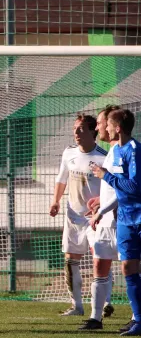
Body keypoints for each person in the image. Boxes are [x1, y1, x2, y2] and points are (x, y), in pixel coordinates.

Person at [49, 114, 107, 316]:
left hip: (95, 218)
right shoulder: (69, 153)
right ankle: (77, 306)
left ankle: (103, 305)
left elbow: (109, 187)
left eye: (81, 129)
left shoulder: (104, 157)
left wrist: (101, 209)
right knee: (70, 260)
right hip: (73, 217)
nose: (76, 133)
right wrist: (56, 200)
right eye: (75, 129)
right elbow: (61, 178)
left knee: (99, 260)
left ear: (93, 132)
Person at [91, 109, 141, 336]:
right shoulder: (116, 150)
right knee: (127, 267)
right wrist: (102, 209)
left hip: (139, 217)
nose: (106, 129)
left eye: (109, 125)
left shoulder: (134, 151)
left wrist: (106, 176)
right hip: (124, 219)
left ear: (118, 127)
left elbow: (134, 187)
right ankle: (138, 320)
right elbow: (118, 190)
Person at [78, 105, 121, 330]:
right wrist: (99, 203)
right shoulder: (112, 152)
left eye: (101, 123)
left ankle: (137, 318)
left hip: (121, 221)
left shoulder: (124, 151)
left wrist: (104, 209)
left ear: (113, 126)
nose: (98, 127)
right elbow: (113, 187)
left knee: (131, 270)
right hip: (104, 221)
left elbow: (126, 188)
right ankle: (96, 318)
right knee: (99, 266)